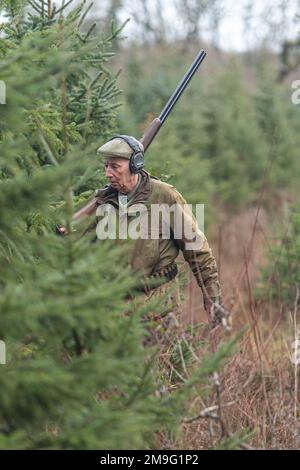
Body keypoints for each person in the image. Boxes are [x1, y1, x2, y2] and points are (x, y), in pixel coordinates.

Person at [94, 135, 230, 335]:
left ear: (135, 164)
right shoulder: (103, 201)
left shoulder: (164, 196)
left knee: (158, 362)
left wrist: (213, 298)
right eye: (106, 166)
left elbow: (197, 250)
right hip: (115, 308)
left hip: (159, 306)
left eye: (115, 167)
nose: (108, 173)